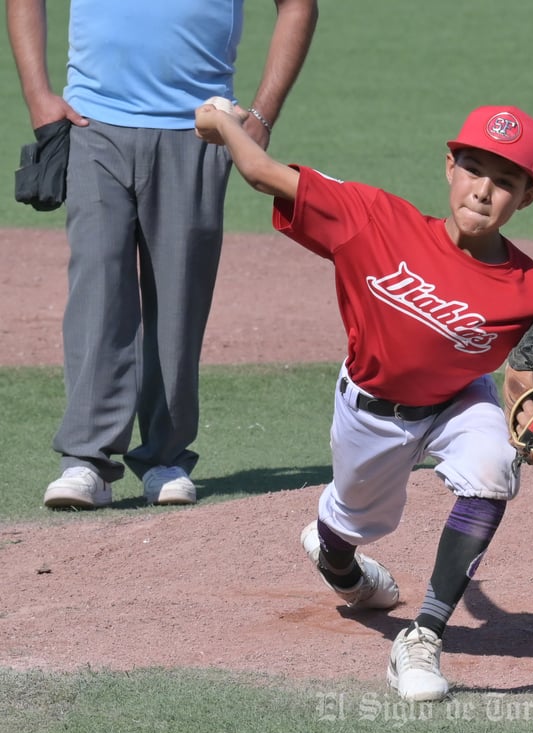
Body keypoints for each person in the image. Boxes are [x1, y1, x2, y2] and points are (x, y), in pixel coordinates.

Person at [194, 101, 533, 701]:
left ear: (526, 197)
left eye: (505, 182)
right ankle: (340, 562)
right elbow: (263, 174)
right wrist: (223, 125)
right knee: (353, 527)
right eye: (474, 169)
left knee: (493, 466)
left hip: (459, 402)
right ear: (449, 166)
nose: (484, 192)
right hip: (370, 412)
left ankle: (422, 636)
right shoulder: (374, 220)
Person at [6, 0, 319, 508]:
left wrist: (260, 118)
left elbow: (298, 7)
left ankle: (164, 457)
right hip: (92, 124)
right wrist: (37, 94)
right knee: (98, 290)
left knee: (179, 301)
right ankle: (87, 460)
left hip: (196, 130)